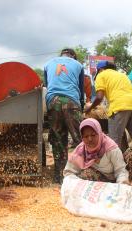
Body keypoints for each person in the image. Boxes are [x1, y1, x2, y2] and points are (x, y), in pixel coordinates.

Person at [84, 61, 132, 176]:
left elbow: (99, 97)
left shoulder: (101, 75)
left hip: (119, 107)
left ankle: (116, 173)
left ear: (100, 69)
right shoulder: (122, 75)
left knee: (114, 142)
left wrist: (89, 109)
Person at [44, 48, 85, 183]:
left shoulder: (48, 64)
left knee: (58, 140)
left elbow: (47, 85)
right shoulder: (78, 65)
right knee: (81, 138)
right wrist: (82, 107)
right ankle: (83, 173)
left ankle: (60, 177)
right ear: (73, 56)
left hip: (53, 102)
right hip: (71, 101)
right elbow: (81, 89)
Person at [64, 118, 132, 183]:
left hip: (117, 181)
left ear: (99, 133)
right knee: (86, 174)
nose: (90, 139)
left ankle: (126, 183)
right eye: (86, 136)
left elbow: (120, 170)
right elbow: (69, 172)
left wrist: (121, 185)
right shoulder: (80, 151)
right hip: (99, 183)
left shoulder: (110, 147)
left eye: (93, 135)